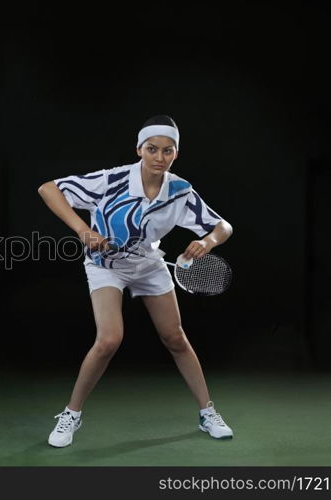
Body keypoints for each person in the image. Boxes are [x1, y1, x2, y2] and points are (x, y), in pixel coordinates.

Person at [37, 115, 234, 447]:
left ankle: (207, 412)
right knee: (109, 340)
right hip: (105, 265)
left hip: (149, 265)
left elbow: (223, 226)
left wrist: (208, 242)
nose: (159, 157)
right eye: (152, 149)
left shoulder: (180, 190)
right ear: (139, 149)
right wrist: (84, 230)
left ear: (176, 154)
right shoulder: (112, 181)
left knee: (175, 338)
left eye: (167, 151)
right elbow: (49, 189)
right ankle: (71, 414)